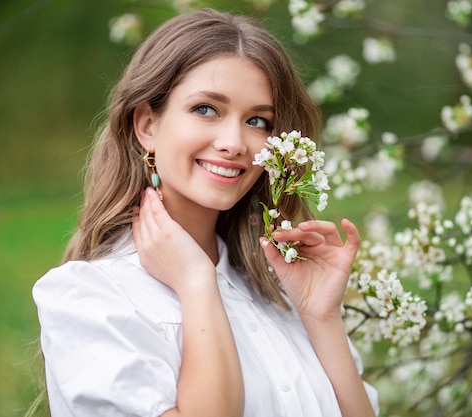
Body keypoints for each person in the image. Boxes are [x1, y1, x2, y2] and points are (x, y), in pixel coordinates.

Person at [32, 8, 379, 417]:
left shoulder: (280, 296)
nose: (234, 143)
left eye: (258, 120)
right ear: (147, 125)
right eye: (206, 109)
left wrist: (321, 318)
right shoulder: (91, 299)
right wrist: (196, 283)